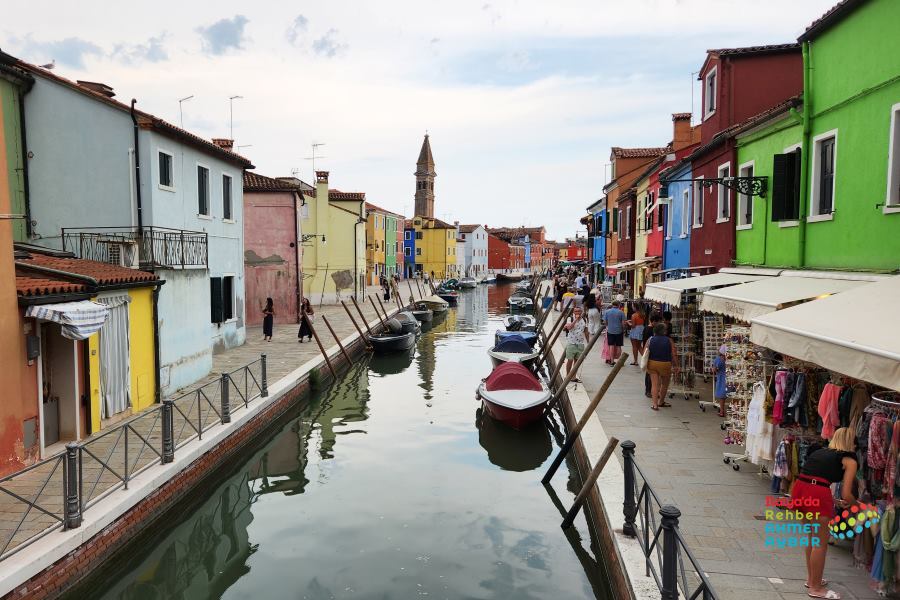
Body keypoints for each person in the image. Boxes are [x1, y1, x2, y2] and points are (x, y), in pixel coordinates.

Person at [792, 427, 857, 599]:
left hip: (799, 488)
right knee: (820, 543)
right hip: (817, 493)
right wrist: (858, 505)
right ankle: (815, 588)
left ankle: (811, 580)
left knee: (812, 539)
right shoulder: (849, 460)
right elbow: (847, 494)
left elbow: (814, 479)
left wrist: (834, 501)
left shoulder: (820, 452)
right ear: (851, 441)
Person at [646, 322, 678, 410]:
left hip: (652, 363)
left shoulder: (650, 339)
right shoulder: (669, 340)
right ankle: (661, 402)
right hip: (665, 364)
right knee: (664, 384)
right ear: (664, 331)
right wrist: (676, 365)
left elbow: (646, 351)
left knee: (654, 384)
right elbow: (673, 354)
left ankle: (655, 405)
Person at [563, 306, 588, 383]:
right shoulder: (570, 318)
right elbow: (569, 327)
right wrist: (576, 319)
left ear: (581, 312)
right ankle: (568, 376)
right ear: (573, 312)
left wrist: (588, 341)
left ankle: (573, 377)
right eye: (576, 311)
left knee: (577, 361)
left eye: (579, 311)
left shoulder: (584, 319)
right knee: (570, 360)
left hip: (580, 343)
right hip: (571, 342)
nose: (577, 313)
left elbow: (586, 331)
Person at [642, 312, 662, 397]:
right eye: (658, 322)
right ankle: (648, 390)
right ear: (653, 321)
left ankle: (650, 390)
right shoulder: (650, 330)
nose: (658, 324)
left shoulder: (647, 328)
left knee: (650, 372)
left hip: (649, 352)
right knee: (649, 373)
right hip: (650, 352)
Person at [602, 301, 626, 365]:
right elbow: (623, 323)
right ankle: (619, 361)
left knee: (611, 346)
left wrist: (608, 325)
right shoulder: (621, 312)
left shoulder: (607, 312)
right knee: (618, 346)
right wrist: (623, 330)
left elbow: (605, 322)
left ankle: (612, 361)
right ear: (619, 305)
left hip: (610, 330)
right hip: (619, 331)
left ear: (612, 305)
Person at [713, 344, 728, 417]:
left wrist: (714, 370)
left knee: (722, 397)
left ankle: (722, 411)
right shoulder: (729, 359)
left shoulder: (718, 359)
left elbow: (715, 369)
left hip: (722, 379)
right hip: (729, 378)